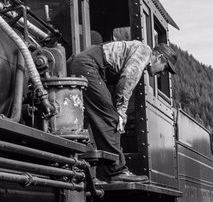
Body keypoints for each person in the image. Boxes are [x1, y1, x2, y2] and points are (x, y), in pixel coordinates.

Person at [67, 26, 168, 182]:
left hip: (84, 65)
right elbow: (127, 79)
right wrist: (120, 112)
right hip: (88, 66)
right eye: (164, 69)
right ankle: (116, 171)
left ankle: (88, 171)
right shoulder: (144, 52)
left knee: (88, 121)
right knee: (111, 118)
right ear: (159, 57)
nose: (161, 74)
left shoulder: (137, 49)